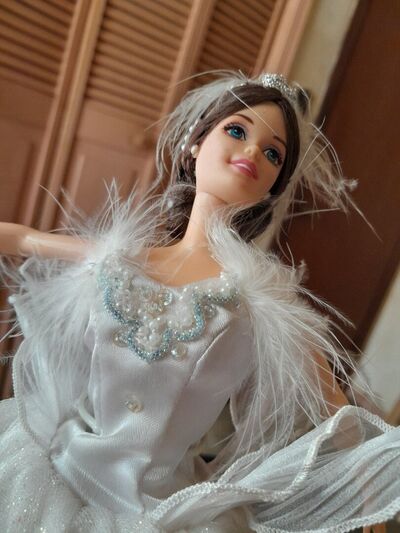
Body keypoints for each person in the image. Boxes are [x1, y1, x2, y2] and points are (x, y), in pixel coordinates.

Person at [0, 72, 398, 532]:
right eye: (237, 130)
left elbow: (334, 409)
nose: (252, 152)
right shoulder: (118, 259)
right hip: (56, 472)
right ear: (195, 143)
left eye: (273, 153)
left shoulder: (262, 304)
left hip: (159, 511)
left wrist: (370, 499)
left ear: (273, 187)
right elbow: (24, 239)